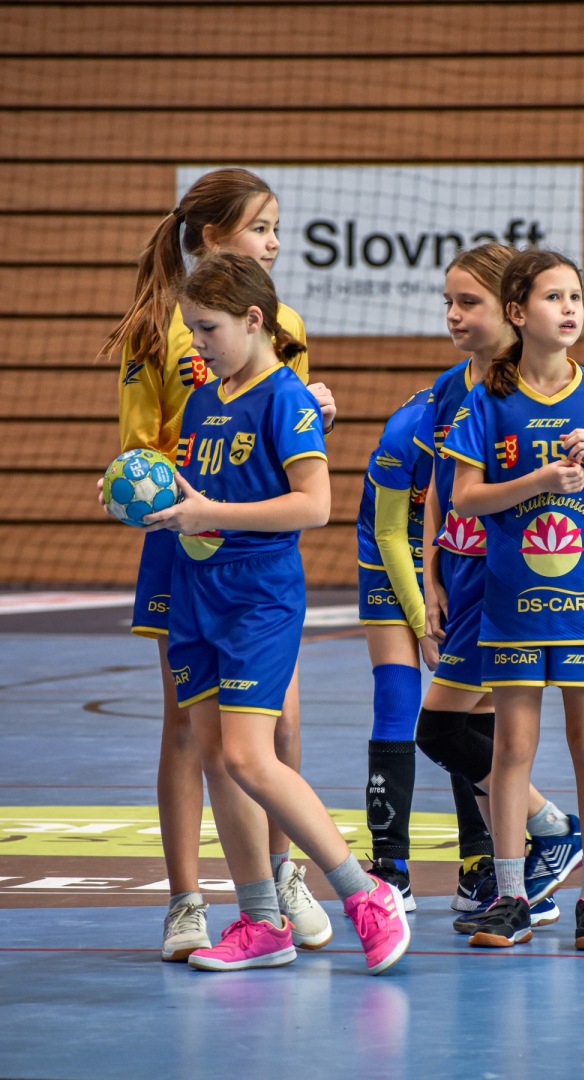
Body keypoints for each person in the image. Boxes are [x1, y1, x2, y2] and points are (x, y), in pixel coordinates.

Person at [142, 252, 410, 974]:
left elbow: (314, 506)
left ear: (253, 319)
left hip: (258, 596)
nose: (197, 343)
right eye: (192, 329)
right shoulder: (203, 401)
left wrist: (211, 512)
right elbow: (201, 495)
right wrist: (152, 502)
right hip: (196, 593)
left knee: (249, 757)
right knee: (217, 758)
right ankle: (262, 922)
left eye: (208, 328)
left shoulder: (286, 398)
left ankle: (365, 894)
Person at [100, 168, 334, 960]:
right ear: (211, 237)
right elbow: (138, 447)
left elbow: (283, 436)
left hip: (254, 547)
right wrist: (146, 486)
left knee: (278, 723)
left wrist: (319, 413)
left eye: (276, 228)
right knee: (187, 726)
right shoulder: (154, 328)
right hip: (182, 539)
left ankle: (279, 877)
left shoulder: (283, 321)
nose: (274, 242)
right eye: (260, 227)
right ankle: (186, 900)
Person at [442, 248, 584, 949]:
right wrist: (538, 480)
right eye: (553, 297)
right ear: (518, 312)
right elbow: (463, 499)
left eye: (575, 298)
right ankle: (512, 897)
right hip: (512, 602)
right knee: (512, 750)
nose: (569, 309)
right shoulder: (488, 400)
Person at [412, 243, 583, 930]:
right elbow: (439, 489)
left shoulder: (529, 391)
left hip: (504, 577)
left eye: (469, 302)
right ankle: (514, 880)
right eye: (448, 303)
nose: (454, 315)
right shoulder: (452, 389)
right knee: (477, 730)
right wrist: (429, 575)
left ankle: (550, 831)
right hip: (459, 573)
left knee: (442, 728)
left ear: (510, 311)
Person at [356, 387, 494, 909]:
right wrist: (422, 623)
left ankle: (479, 863)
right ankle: (390, 866)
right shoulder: (406, 430)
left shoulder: (503, 420)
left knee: (473, 707)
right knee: (396, 699)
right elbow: (391, 533)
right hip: (390, 557)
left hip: (459, 557)